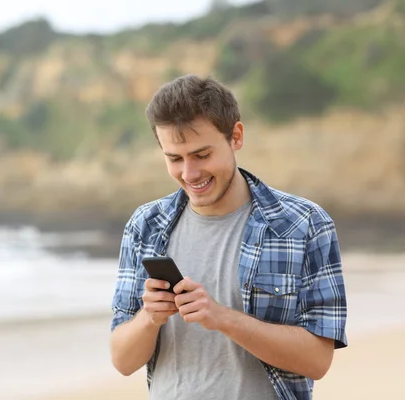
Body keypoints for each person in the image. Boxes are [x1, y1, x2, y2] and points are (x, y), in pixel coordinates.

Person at [109, 75, 348, 400]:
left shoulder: (303, 224)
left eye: (202, 155)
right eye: (174, 159)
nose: (189, 174)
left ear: (236, 136)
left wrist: (222, 317)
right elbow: (122, 360)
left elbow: (317, 361)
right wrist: (149, 318)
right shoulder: (145, 225)